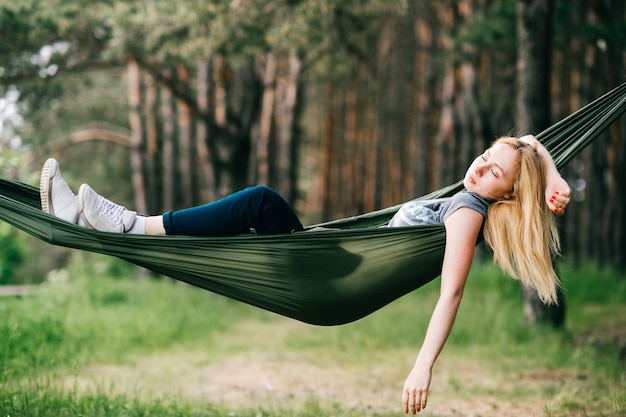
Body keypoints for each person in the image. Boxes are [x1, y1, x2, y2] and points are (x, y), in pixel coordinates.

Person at [39, 134, 570, 415]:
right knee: (259, 206)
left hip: (331, 283)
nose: (479, 167)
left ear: (507, 193)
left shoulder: (467, 213)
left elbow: (451, 293)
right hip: (331, 267)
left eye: (493, 170)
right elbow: (525, 139)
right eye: (483, 156)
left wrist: (422, 367)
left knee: (259, 203)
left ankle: (128, 225)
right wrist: (554, 176)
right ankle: (105, 223)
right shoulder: (473, 195)